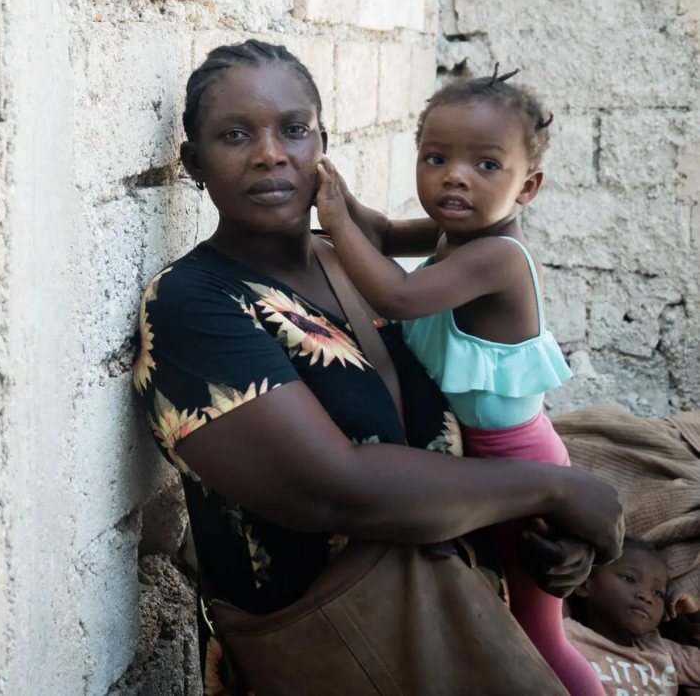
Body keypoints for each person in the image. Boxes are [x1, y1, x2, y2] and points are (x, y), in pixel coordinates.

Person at [134, 40, 623, 694]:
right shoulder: (194, 305)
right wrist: (551, 489)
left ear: (322, 146)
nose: (271, 153)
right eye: (234, 135)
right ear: (195, 164)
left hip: (467, 629)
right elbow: (334, 489)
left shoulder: (351, 265)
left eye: (295, 129)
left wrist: (534, 542)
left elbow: (454, 434)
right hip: (336, 651)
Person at [315, 69, 597, 695]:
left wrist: (333, 223)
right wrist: (341, 196)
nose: (455, 176)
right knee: (494, 611)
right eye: (436, 157)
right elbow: (384, 235)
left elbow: (398, 292)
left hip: (519, 462)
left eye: (486, 165)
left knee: (540, 635)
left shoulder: (495, 258)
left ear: (528, 188)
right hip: (480, 457)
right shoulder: (457, 234)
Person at [566, 539, 700, 695]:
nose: (647, 597)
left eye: (657, 593)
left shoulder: (663, 652)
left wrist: (694, 614)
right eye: (629, 579)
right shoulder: (566, 636)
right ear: (584, 585)